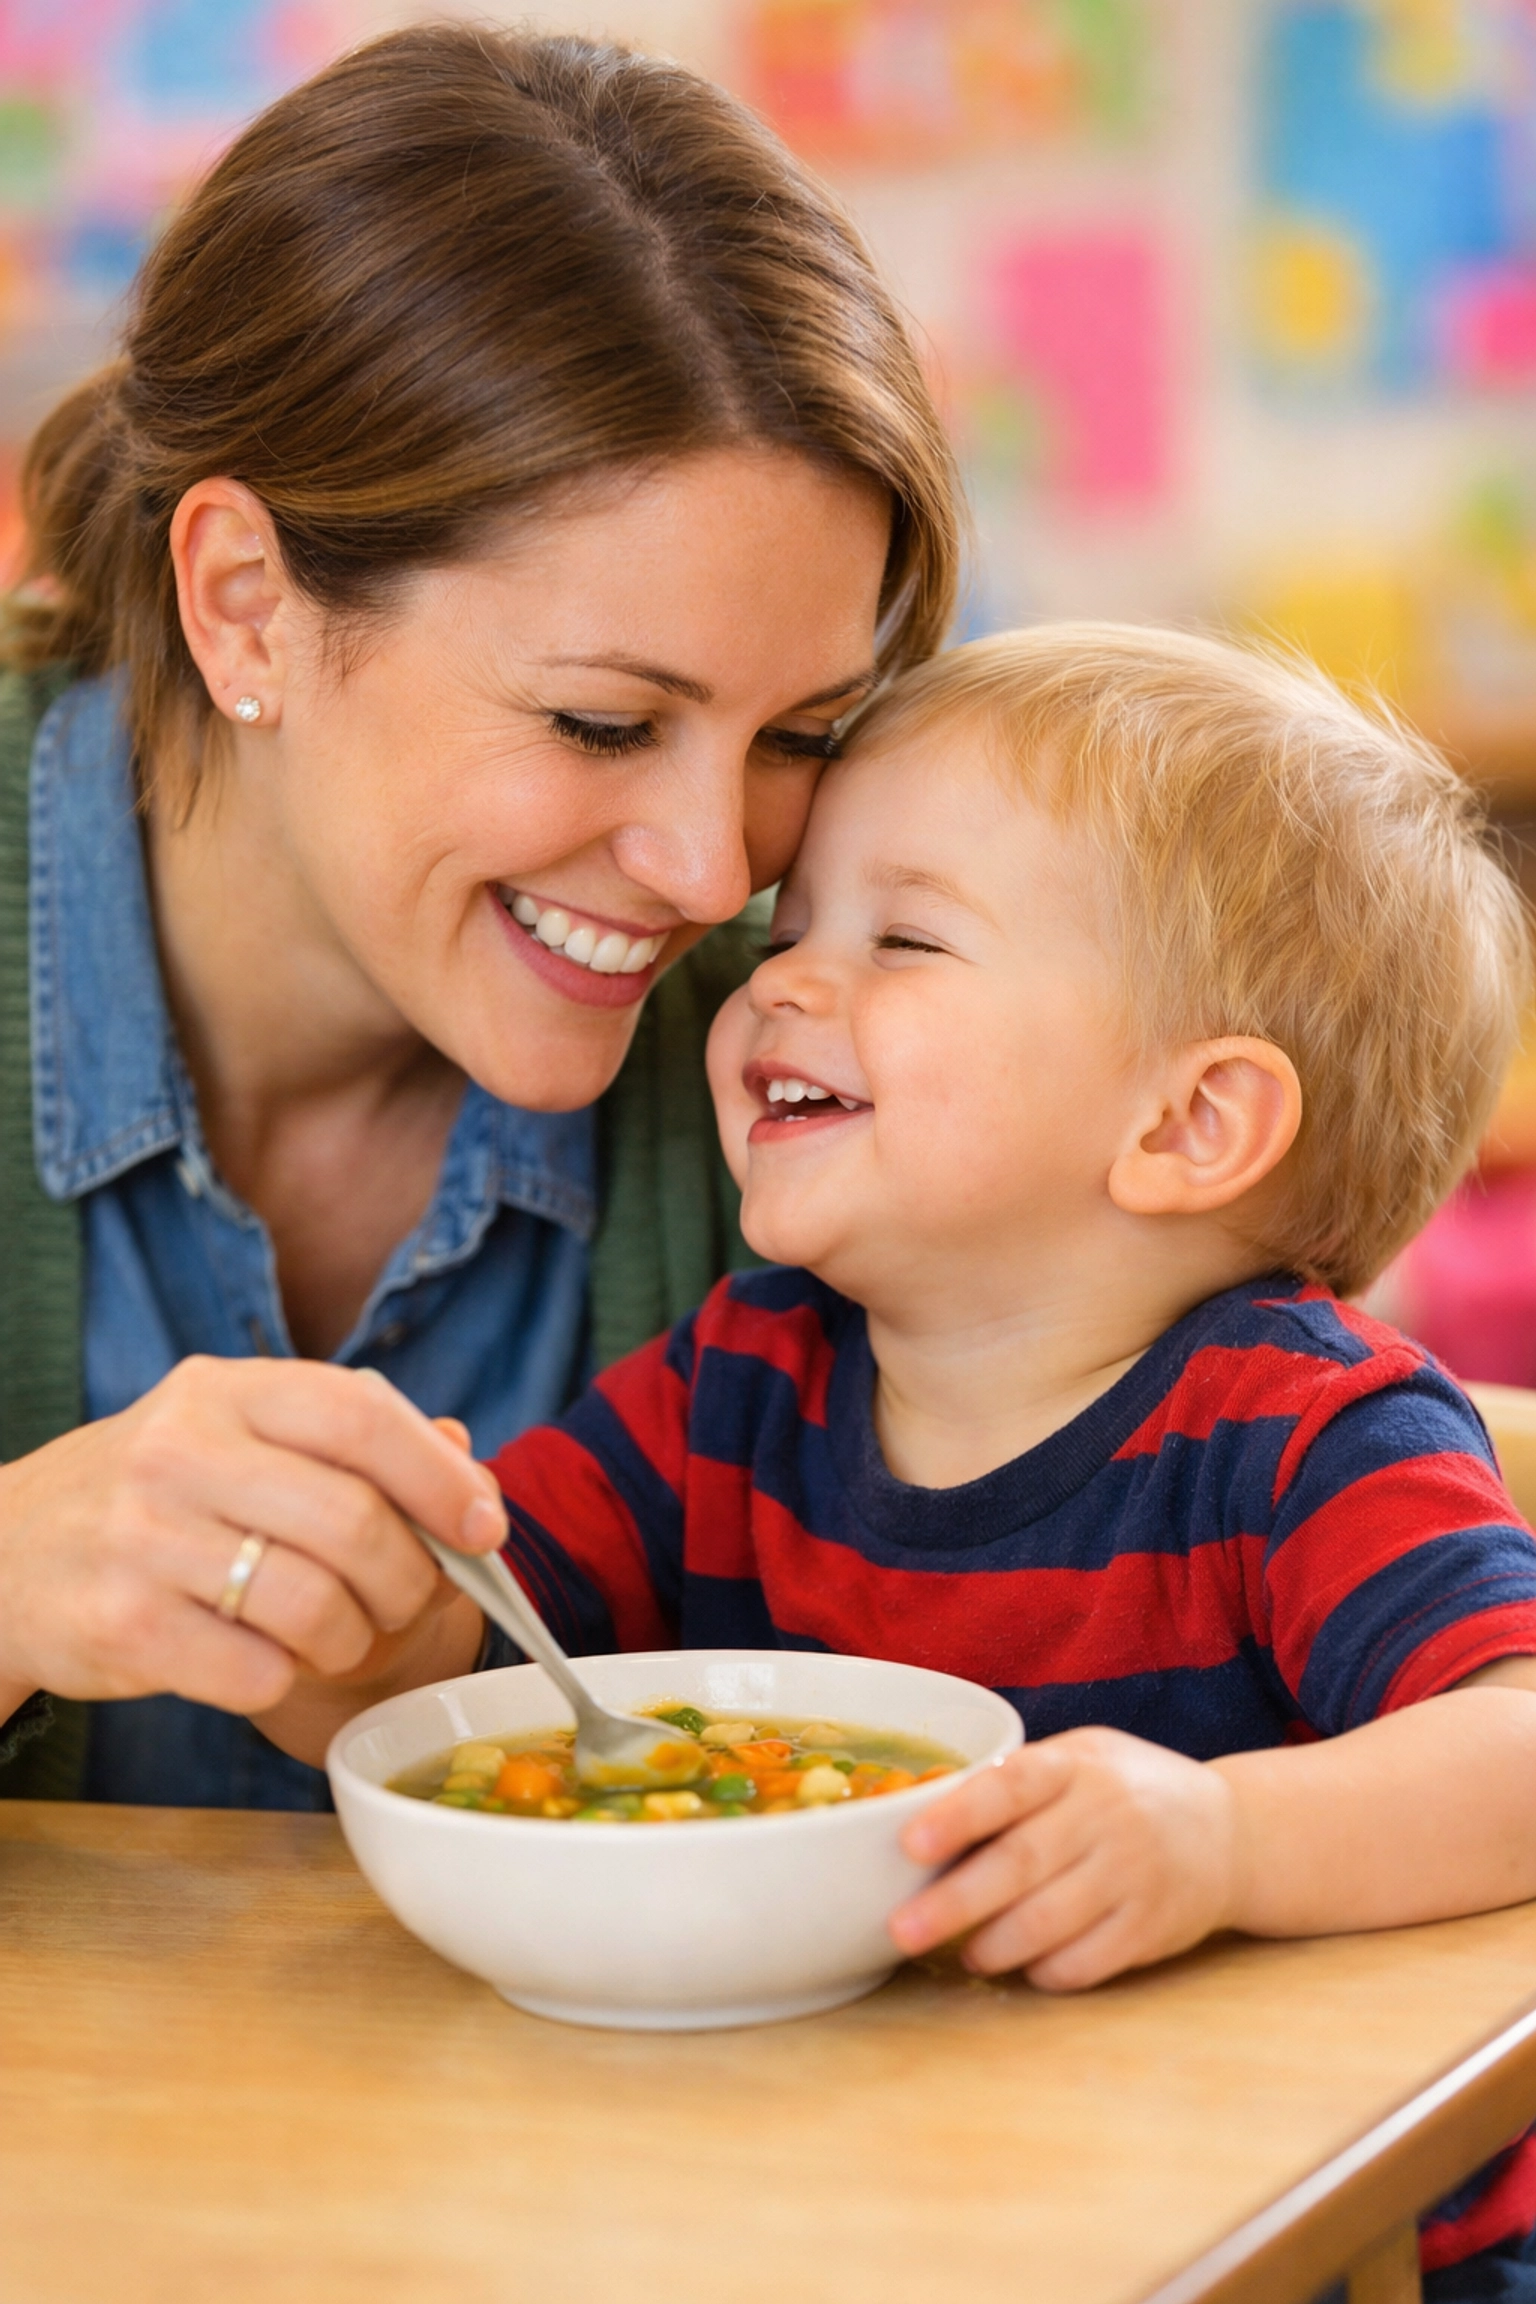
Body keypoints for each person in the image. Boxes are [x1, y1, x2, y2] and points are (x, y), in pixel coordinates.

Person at [465, 626, 1536, 2296]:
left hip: (1291, 2239)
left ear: (1188, 1125)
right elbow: (481, 1639)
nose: (776, 983)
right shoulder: (745, 1376)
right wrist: (377, 1542)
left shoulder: (1302, 1433)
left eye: (901, 935)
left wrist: (1222, 1842)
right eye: (795, 921)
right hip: (889, 2206)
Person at [0, 22, 958, 1807]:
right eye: (603, 722)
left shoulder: (826, 1065)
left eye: (799, 737)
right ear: (246, 605)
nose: (705, 869)